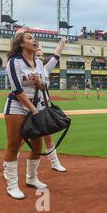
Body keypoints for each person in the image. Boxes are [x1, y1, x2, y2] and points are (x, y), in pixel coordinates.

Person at [3, 31, 47, 199]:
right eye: (29, 38)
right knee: (13, 145)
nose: (34, 40)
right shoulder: (14, 62)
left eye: (34, 38)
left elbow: (44, 87)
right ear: (21, 44)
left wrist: (39, 82)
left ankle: (32, 178)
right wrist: (33, 109)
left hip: (35, 105)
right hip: (17, 106)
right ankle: (12, 185)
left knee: (37, 145)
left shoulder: (38, 62)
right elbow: (17, 90)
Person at [35, 38, 67, 172]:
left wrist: (62, 43)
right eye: (37, 55)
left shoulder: (45, 69)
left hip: (44, 107)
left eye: (42, 55)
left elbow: (56, 55)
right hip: (32, 108)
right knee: (23, 139)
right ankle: (8, 164)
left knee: (48, 137)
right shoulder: (28, 69)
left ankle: (54, 162)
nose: (40, 57)